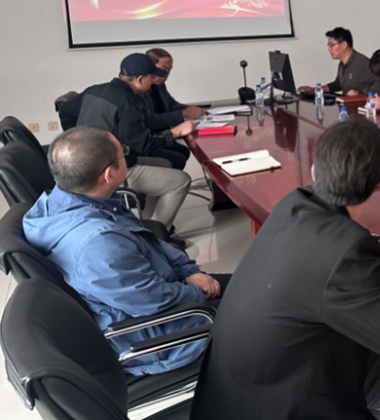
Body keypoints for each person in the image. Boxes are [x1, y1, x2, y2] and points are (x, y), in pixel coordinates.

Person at [190, 119, 380, 420]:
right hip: (284, 407)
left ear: (314, 171)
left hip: (237, 395)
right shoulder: (347, 256)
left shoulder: (292, 205)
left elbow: (331, 244)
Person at [23, 127, 229, 376]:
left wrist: (188, 271)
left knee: (244, 284)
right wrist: (198, 292)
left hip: (156, 292)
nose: (128, 158)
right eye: (124, 155)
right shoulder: (97, 243)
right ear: (109, 175)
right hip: (156, 333)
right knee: (258, 312)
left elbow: (150, 242)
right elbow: (153, 300)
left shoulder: (70, 201)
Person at [57, 53, 194, 229]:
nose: (153, 82)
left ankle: (150, 224)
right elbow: (143, 144)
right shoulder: (129, 102)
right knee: (182, 181)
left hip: (91, 166)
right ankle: (157, 235)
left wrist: (79, 139)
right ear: (140, 79)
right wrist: (175, 132)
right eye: (151, 78)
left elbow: (65, 111)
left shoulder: (95, 90)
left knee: (165, 165)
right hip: (113, 171)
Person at [136, 48, 206, 170]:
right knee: (177, 158)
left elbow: (171, 105)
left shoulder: (159, 85)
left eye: (169, 70)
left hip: (161, 135)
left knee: (184, 151)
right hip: (147, 140)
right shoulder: (139, 89)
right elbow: (149, 120)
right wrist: (182, 114)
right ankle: (167, 181)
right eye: (163, 69)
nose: (167, 74)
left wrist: (191, 110)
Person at [305, 27, 380, 96]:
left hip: (362, 106)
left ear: (344, 45)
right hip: (347, 104)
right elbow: (338, 84)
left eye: (331, 45)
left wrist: (360, 93)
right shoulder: (342, 64)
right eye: (328, 46)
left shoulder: (362, 63)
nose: (329, 49)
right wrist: (315, 89)